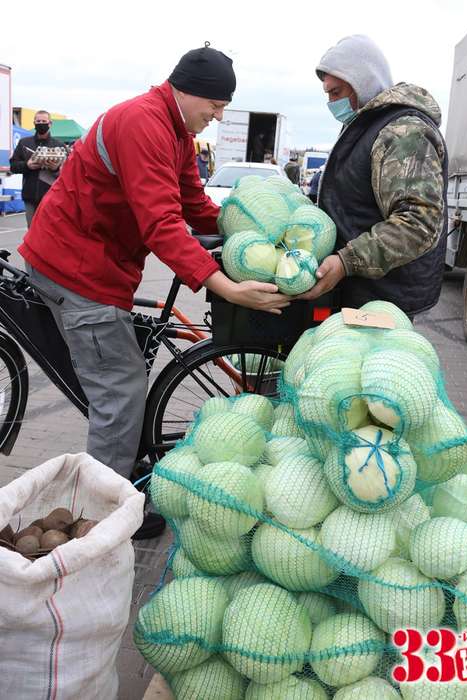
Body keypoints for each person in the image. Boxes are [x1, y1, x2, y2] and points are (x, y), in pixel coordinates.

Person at [18, 44, 290, 538]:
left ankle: (119, 476)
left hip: (101, 265)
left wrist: (245, 236)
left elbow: (192, 205)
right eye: (216, 104)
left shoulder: (176, 131)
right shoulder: (143, 124)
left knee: (117, 376)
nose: (219, 114)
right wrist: (224, 284)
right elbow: (162, 224)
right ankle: (101, 520)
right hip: (76, 269)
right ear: (186, 92)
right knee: (118, 392)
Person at [298, 34, 447, 318]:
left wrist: (346, 261)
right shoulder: (365, 126)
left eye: (336, 92)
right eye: (327, 93)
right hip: (358, 292)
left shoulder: (403, 133)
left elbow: (419, 222)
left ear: (362, 83)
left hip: (382, 300)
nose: (330, 103)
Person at [9, 111, 66, 226]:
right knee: (32, 231)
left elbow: (67, 173)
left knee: (49, 230)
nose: (41, 124)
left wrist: (55, 169)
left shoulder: (59, 145)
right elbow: (13, 166)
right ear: (34, 122)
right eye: (38, 121)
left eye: (44, 121)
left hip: (51, 196)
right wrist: (27, 165)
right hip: (29, 196)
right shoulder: (24, 143)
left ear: (50, 123)